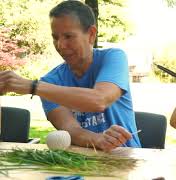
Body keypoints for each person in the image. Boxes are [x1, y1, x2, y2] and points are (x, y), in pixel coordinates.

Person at [0, 0, 141, 151]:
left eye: (68, 36)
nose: (60, 45)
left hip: (126, 157)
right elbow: (70, 129)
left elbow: (99, 100)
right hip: (83, 163)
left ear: (91, 34)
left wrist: (33, 86)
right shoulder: (50, 81)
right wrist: (99, 140)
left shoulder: (113, 57)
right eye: (55, 37)